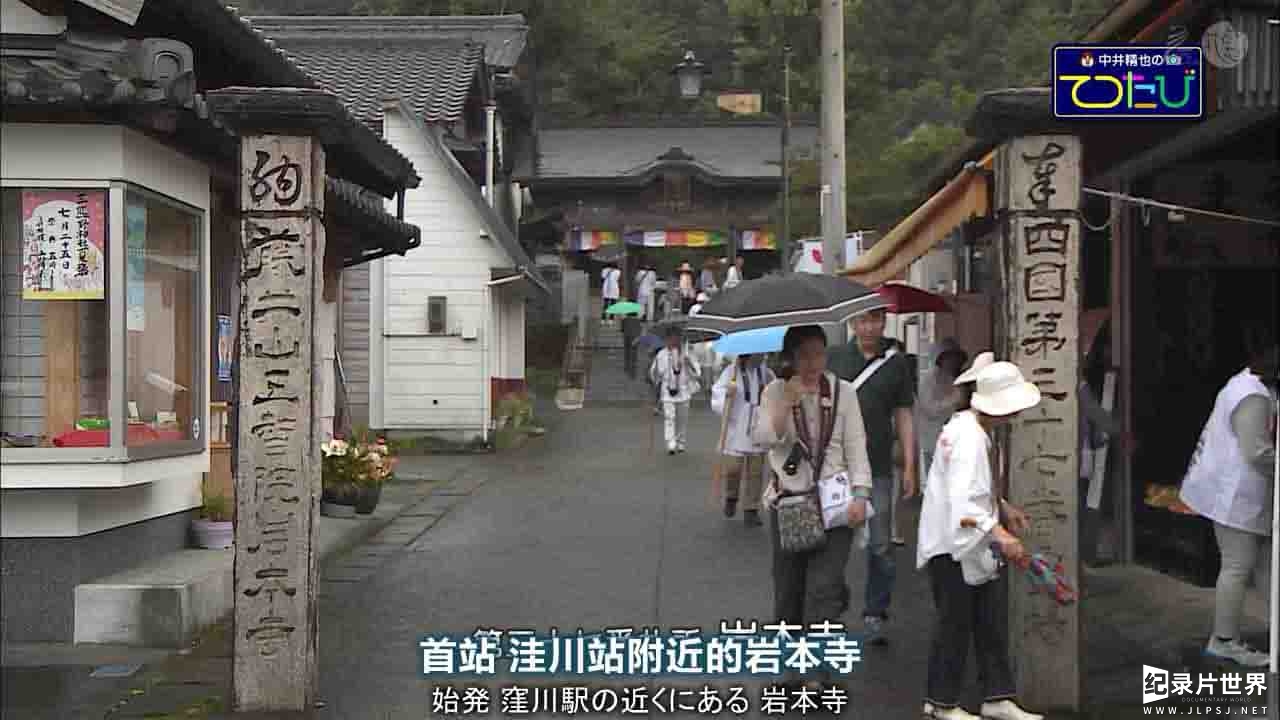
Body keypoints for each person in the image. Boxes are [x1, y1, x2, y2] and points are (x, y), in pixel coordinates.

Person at [918, 361, 1044, 720]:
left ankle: (996, 696)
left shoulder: (967, 429)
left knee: (987, 621)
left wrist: (1002, 508)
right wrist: (1001, 533)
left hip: (963, 542)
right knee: (955, 625)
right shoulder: (970, 439)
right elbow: (964, 506)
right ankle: (942, 702)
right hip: (953, 544)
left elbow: (971, 491)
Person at [753, 325, 873, 692]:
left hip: (835, 504)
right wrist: (785, 403)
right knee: (789, 588)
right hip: (790, 503)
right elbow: (764, 439)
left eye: (818, 353)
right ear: (790, 357)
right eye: (804, 355)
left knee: (823, 587)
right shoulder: (775, 390)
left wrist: (862, 494)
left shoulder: (843, 392)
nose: (812, 363)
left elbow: (856, 444)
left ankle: (817, 670)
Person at [1180, 324, 1278, 668]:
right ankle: (1223, 640)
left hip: (1236, 492)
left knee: (1266, 568)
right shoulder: (1253, 395)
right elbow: (1258, 453)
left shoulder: (1242, 382)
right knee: (1237, 567)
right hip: (1238, 495)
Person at [827, 308, 917, 644]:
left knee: (880, 544)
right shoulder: (836, 359)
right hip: (836, 468)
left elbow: (904, 414)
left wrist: (909, 464)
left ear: (883, 322)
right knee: (835, 541)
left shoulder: (896, 364)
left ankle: (875, 612)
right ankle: (831, 611)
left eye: (874, 320)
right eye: (862, 320)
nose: (868, 327)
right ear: (853, 323)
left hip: (879, 467)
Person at [712, 353, 776, 527]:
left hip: (757, 424)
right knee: (734, 467)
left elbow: (775, 392)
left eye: (763, 355)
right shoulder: (731, 371)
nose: (762, 357)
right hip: (736, 425)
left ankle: (751, 509)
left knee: (756, 470)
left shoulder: (766, 373)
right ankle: (731, 496)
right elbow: (716, 393)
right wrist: (726, 395)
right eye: (759, 354)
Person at [917, 339, 971, 481]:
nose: (952, 362)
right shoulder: (929, 379)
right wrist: (952, 400)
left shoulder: (963, 378)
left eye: (954, 358)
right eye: (948, 358)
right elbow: (929, 408)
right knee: (936, 482)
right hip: (935, 439)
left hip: (959, 440)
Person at [650, 327, 701, 454]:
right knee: (669, 417)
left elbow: (697, 374)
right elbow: (654, 374)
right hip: (667, 390)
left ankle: (681, 441)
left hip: (683, 390)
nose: (673, 340)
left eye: (676, 337)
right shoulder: (661, 354)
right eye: (670, 338)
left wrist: (688, 363)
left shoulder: (687, 353)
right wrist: (655, 372)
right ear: (666, 339)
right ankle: (670, 442)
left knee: (682, 418)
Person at [621, 312, 643, 379]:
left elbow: (622, 330)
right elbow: (640, 329)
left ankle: (627, 366)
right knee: (634, 352)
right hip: (635, 338)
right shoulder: (638, 320)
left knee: (627, 352)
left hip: (627, 337)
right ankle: (633, 366)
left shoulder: (624, 320)